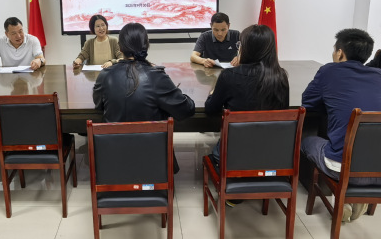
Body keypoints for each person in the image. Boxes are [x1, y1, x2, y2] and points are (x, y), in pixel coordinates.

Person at [301, 28, 381, 223]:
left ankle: (343, 193)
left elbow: (308, 103)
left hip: (343, 168)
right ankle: (354, 196)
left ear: (339, 53)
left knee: (306, 140)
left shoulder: (329, 71)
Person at [93, 23, 196, 171]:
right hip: (153, 163)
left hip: (113, 161)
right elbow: (187, 110)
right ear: (146, 45)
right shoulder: (156, 76)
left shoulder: (105, 76)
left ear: (120, 48)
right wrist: (176, 93)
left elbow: (98, 105)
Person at [204, 24, 289, 176]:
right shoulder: (280, 76)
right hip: (271, 154)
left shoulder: (229, 76)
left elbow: (211, 110)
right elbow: (283, 111)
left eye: (240, 45)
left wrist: (213, 93)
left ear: (246, 49)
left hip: (235, 154)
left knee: (217, 151)